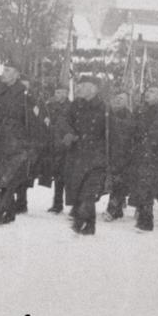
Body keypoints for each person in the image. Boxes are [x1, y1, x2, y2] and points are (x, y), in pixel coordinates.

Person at [0, 63, 37, 224]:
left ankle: (1, 211)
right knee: (0, 175)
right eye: (4, 70)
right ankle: (9, 211)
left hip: (18, 141)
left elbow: (33, 121)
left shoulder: (26, 94)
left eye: (8, 70)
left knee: (10, 176)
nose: (3, 73)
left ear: (17, 74)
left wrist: (31, 145)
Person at [60, 75, 106, 235]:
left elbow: (111, 135)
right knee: (78, 190)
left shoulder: (104, 109)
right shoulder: (74, 105)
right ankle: (89, 225)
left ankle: (81, 223)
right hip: (76, 154)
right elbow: (63, 121)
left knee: (88, 192)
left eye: (83, 85)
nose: (78, 88)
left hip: (95, 158)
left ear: (93, 89)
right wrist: (69, 132)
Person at [126, 84, 158, 232]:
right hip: (139, 153)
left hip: (156, 155)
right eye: (147, 91)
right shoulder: (139, 110)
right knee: (142, 185)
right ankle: (145, 217)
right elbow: (131, 128)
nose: (148, 94)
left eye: (152, 92)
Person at [102, 90, 134, 222]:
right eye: (116, 98)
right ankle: (117, 208)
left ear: (127, 102)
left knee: (118, 182)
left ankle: (113, 208)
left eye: (122, 98)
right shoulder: (106, 113)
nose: (118, 100)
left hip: (122, 153)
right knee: (110, 181)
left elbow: (127, 131)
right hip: (107, 151)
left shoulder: (128, 116)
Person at [44, 85, 71, 213]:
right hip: (54, 145)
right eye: (56, 92)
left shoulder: (72, 107)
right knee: (58, 176)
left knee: (69, 176)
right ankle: (57, 204)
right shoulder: (51, 106)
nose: (57, 95)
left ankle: (73, 204)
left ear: (66, 93)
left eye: (60, 92)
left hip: (67, 146)